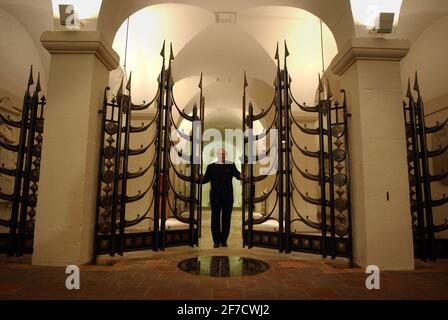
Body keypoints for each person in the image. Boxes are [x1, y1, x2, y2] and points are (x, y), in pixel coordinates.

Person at [199, 148, 244, 248]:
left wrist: (243, 174)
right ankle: (216, 241)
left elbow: (238, 175)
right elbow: (205, 180)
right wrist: (199, 178)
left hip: (228, 197)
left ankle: (224, 240)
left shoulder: (231, 165)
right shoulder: (211, 167)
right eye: (220, 154)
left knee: (226, 219)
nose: (222, 156)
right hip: (215, 197)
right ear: (217, 155)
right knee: (215, 219)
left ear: (225, 155)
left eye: (223, 154)